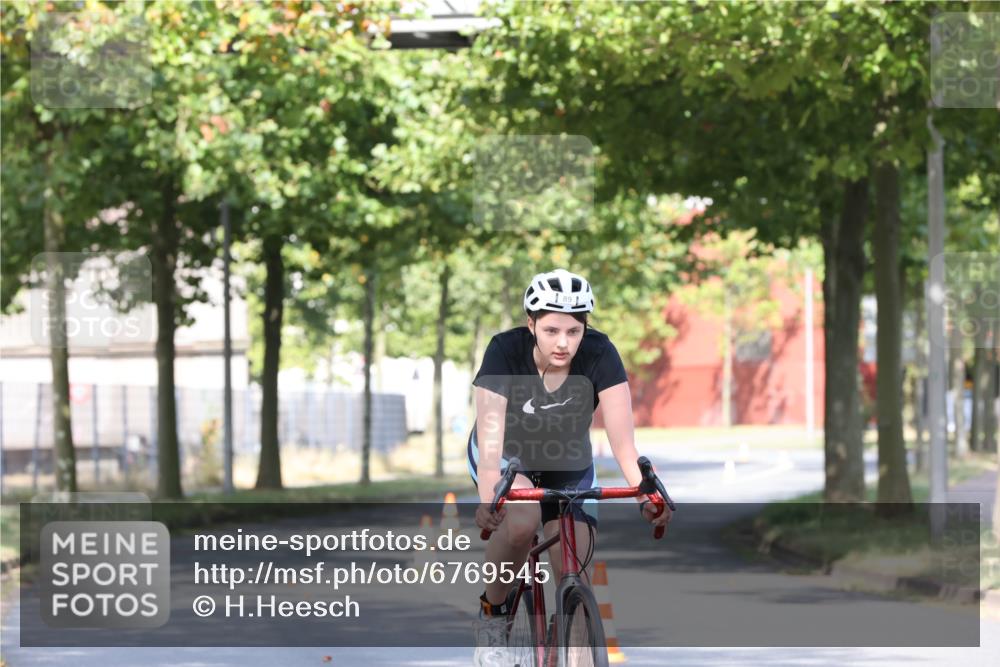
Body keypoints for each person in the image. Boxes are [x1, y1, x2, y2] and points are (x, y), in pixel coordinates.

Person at [469, 268, 672, 666]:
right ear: (531, 324)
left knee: (573, 567)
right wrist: (490, 500)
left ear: (585, 329)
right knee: (523, 521)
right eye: (550, 331)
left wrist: (645, 493)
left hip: (567, 461)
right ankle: (493, 615)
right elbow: (490, 453)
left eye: (574, 332)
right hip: (508, 457)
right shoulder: (502, 351)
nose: (563, 343)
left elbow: (624, 446)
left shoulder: (600, 354)